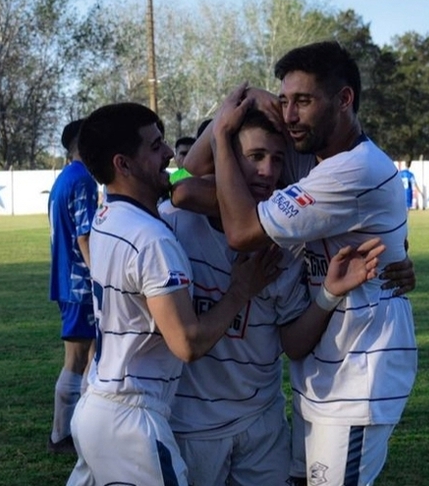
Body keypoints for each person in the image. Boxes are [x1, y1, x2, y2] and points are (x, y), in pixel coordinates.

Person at [195, 41, 418, 485]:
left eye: (303, 101)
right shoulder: (309, 155)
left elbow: (240, 230)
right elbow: (187, 169)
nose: (290, 115)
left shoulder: (354, 170)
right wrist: (246, 100)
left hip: (360, 376)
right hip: (319, 374)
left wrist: (222, 132)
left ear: (344, 100)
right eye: (284, 101)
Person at [65, 102, 284, 486]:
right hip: (132, 418)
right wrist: (241, 289)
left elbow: (183, 178)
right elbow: (187, 343)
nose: (170, 154)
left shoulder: (110, 217)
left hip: (97, 405)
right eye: (155, 146)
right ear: (124, 164)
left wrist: (222, 123)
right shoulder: (154, 239)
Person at [163, 108, 385, 486]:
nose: (268, 171)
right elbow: (179, 181)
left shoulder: (288, 238)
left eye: (277, 158)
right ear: (227, 159)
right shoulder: (170, 225)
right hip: (192, 426)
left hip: (261, 424)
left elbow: (293, 344)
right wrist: (231, 111)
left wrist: (329, 293)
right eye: (255, 157)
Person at [46, 118, 99, 454]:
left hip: (67, 280)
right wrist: (102, 275)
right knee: (78, 359)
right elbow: (84, 234)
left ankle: (83, 431)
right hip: (80, 284)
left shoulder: (63, 179)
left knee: (93, 358)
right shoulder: (83, 181)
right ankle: (61, 436)